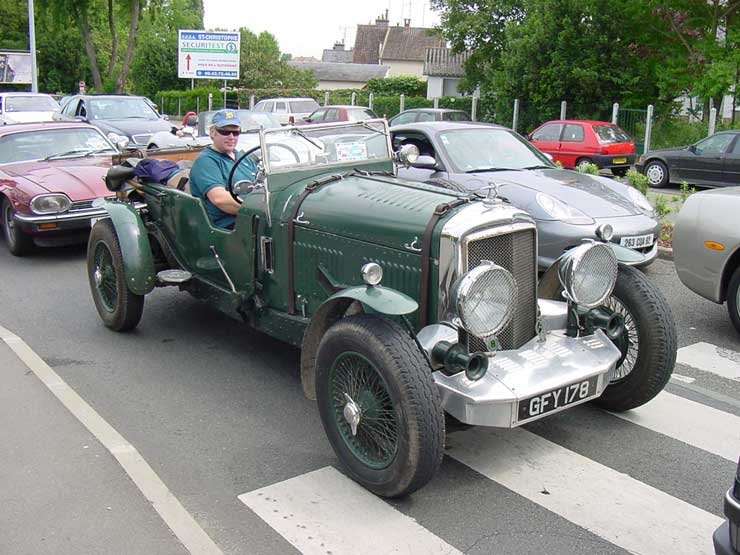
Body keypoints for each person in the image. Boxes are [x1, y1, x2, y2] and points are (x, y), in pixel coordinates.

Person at [189, 110, 256, 230]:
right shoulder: (206, 161)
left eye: (235, 132)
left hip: (250, 219)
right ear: (213, 132)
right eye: (225, 131)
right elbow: (220, 200)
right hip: (228, 226)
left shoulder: (243, 157)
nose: (231, 137)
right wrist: (260, 212)